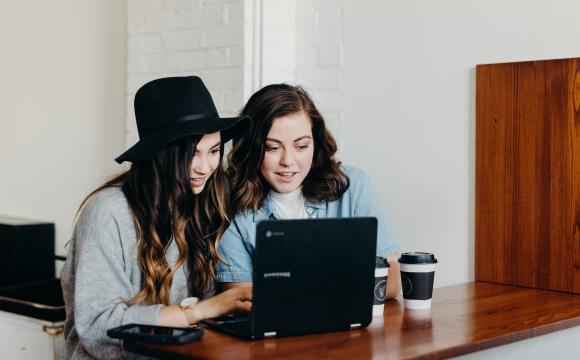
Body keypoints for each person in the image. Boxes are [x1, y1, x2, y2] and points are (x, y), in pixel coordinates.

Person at [61, 76, 252, 359]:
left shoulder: (203, 205)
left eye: (213, 151)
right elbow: (98, 325)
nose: (204, 167)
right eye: (191, 153)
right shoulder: (108, 212)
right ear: (160, 153)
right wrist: (201, 310)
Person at [216, 84, 401, 298]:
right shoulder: (230, 203)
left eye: (301, 146)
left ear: (316, 142)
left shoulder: (353, 186)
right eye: (272, 148)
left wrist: (300, 290)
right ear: (252, 149)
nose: (288, 161)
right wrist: (341, 282)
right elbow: (238, 298)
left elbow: (393, 279)